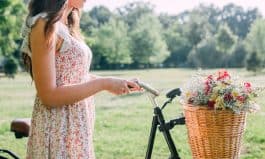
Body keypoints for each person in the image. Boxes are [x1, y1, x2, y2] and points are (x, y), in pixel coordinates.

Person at [20, 0, 141, 158]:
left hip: (76, 128)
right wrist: (103, 83)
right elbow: (48, 95)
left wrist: (115, 82)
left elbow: (77, 76)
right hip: (58, 128)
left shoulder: (67, 25)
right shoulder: (44, 24)